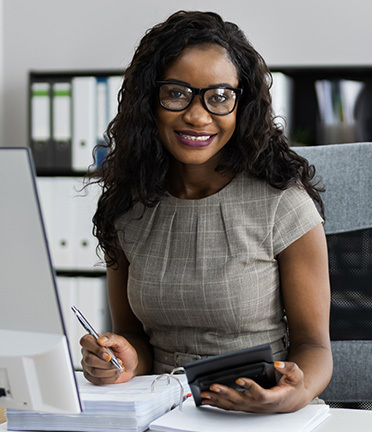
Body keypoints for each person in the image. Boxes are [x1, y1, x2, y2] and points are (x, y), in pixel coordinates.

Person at [81, 10, 332, 414]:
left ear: (241, 105)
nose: (198, 116)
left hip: (257, 411)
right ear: (150, 100)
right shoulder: (127, 206)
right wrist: (123, 359)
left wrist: (293, 395)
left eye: (219, 97)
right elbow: (133, 336)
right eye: (177, 93)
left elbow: (314, 345)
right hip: (158, 413)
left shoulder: (282, 203)